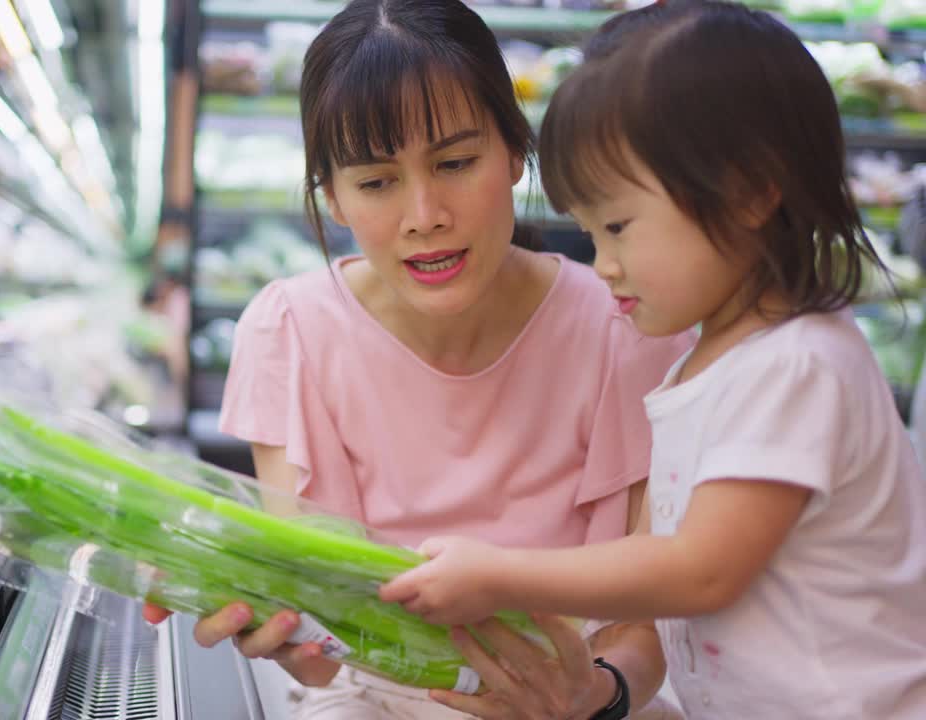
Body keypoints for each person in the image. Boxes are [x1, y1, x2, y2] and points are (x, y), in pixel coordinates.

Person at [148, 1, 696, 718]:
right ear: (333, 197)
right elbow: (319, 658)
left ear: (514, 151)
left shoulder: (626, 329)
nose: (425, 213)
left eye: (457, 162)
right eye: (377, 182)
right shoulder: (288, 332)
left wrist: (595, 694)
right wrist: (280, 628)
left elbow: (646, 627)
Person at [381, 1, 926, 717]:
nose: (602, 265)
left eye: (617, 227)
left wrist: (505, 576)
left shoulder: (799, 366)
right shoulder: (703, 366)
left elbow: (698, 571)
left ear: (751, 191)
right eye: (589, 234)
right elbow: (658, 549)